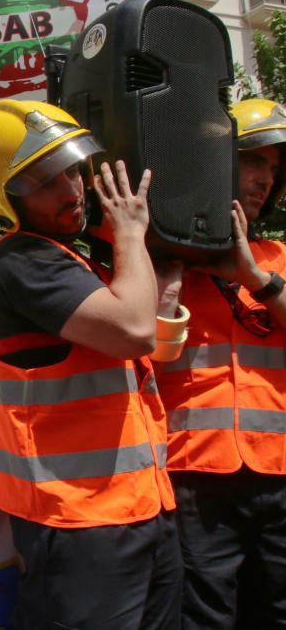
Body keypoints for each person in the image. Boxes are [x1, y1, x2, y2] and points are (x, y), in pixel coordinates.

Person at [0, 99, 182, 629]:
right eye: (44, 181)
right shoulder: (18, 260)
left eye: (73, 169)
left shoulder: (73, 256)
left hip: (141, 504)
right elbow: (133, 330)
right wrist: (131, 234)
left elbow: (150, 344)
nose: (72, 189)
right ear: (4, 196)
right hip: (78, 520)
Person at [156, 98, 286, 628]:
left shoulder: (277, 259)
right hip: (194, 479)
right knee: (205, 618)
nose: (264, 180)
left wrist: (258, 278)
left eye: (275, 170)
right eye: (254, 161)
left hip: (278, 475)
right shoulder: (163, 261)